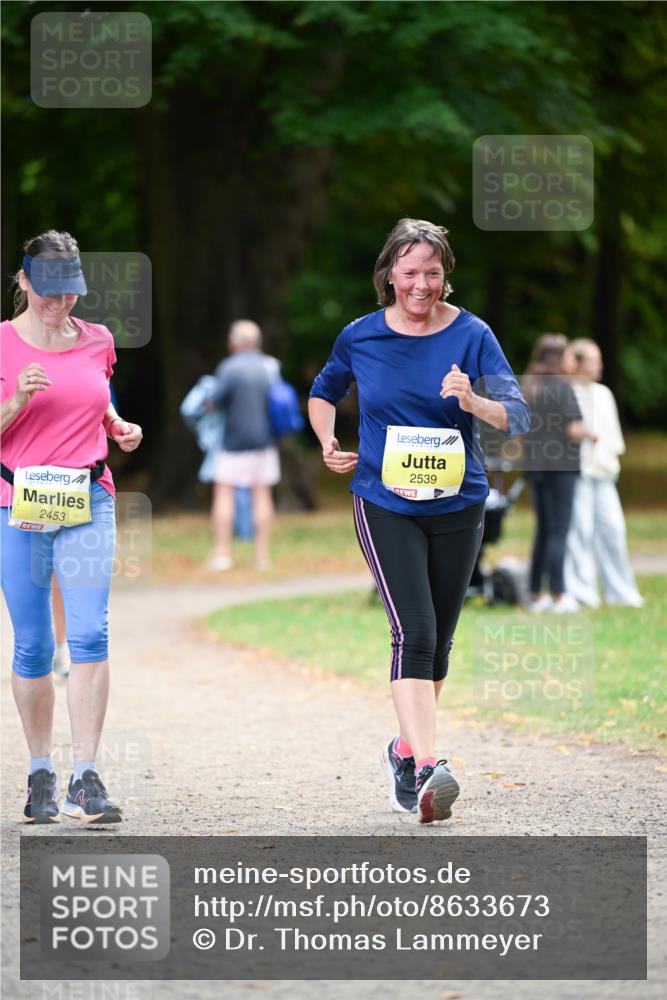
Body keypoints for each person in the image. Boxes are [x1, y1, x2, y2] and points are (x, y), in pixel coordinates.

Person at [308, 218, 530, 823]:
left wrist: (472, 400)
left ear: (445, 277)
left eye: (433, 273)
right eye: (410, 272)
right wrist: (328, 440)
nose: (422, 284)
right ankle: (432, 768)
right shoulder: (360, 336)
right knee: (416, 633)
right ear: (389, 276)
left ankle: (404, 752)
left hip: (459, 503)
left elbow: (518, 416)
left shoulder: (473, 334)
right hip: (385, 500)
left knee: (441, 643)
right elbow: (324, 391)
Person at [0, 229, 142, 824]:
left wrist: (118, 425)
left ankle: (86, 775)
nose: (61, 305)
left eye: (71, 293)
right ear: (25, 282)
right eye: (49, 293)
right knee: (33, 643)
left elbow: (97, 399)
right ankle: (40, 774)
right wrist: (17, 404)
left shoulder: (99, 340)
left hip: (88, 497)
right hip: (19, 504)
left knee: (89, 635)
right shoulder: (4, 344)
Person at [564, 339, 643, 607]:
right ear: (576, 362)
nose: (599, 365)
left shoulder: (603, 393)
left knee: (614, 531)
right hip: (579, 474)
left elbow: (612, 438)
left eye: (599, 360)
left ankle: (621, 593)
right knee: (580, 533)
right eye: (592, 360)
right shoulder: (566, 393)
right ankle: (582, 592)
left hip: (604, 473)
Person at [522, 334, 595, 613]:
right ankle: (559, 593)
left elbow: (519, 433)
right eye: (568, 355)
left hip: (535, 468)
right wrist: (592, 434)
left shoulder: (531, 388)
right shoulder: (563, 388)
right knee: (559, 531)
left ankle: (534, 593)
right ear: (558, 358)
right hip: (561, 468)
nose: (571, 361)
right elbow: (572, 429)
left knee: (543, 530)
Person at [209, 319, 280, 571]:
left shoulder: (229, 368)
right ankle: (261, 556)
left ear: (233, 343)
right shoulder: (270, 366)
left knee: (224, 493)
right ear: (257, 342)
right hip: (265, 442)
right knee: (262, 495)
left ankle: (222, 553)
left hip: (233, 443)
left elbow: (212, 402)